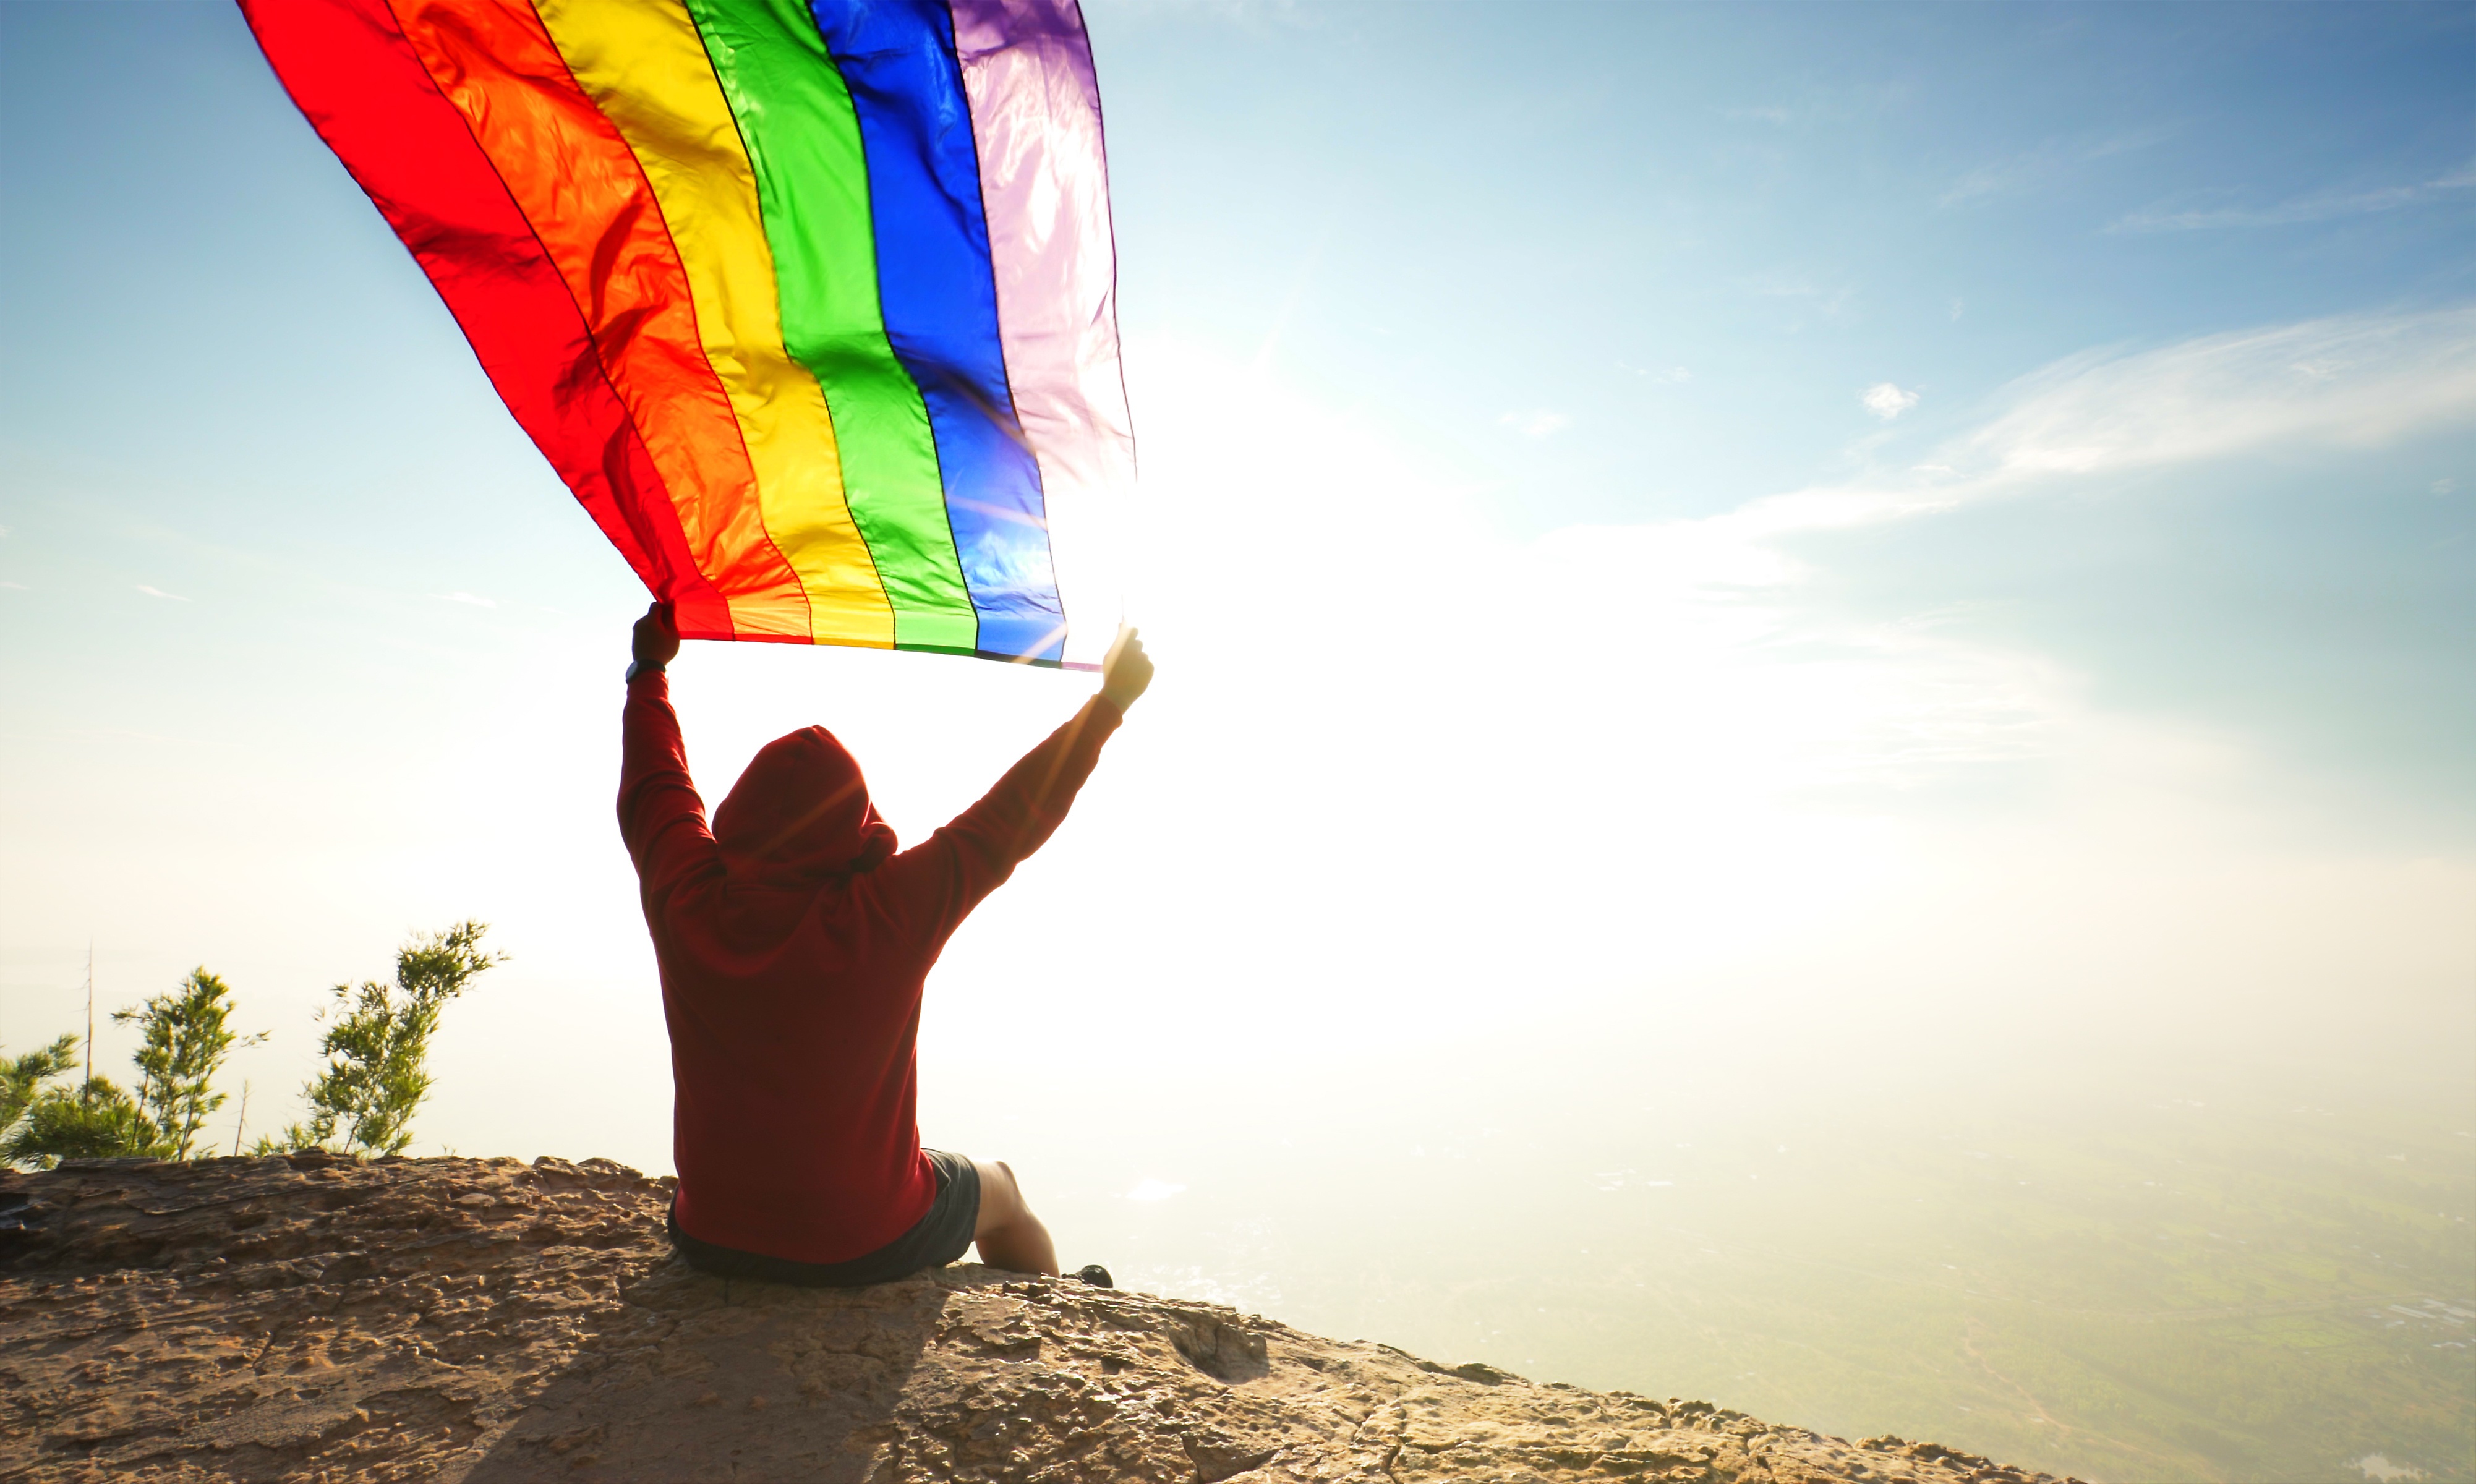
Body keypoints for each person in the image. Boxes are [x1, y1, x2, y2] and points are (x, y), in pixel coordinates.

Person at [618, 602, 1153, 1287]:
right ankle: (1066, 1305)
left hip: (711, 1234)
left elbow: (655, 786)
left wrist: (649, 672)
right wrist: (1108, 703)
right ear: (855, 824)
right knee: (1004, 1190)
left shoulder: (685, 895)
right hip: (859, 1238)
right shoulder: (888, 912)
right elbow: (1006, 821)